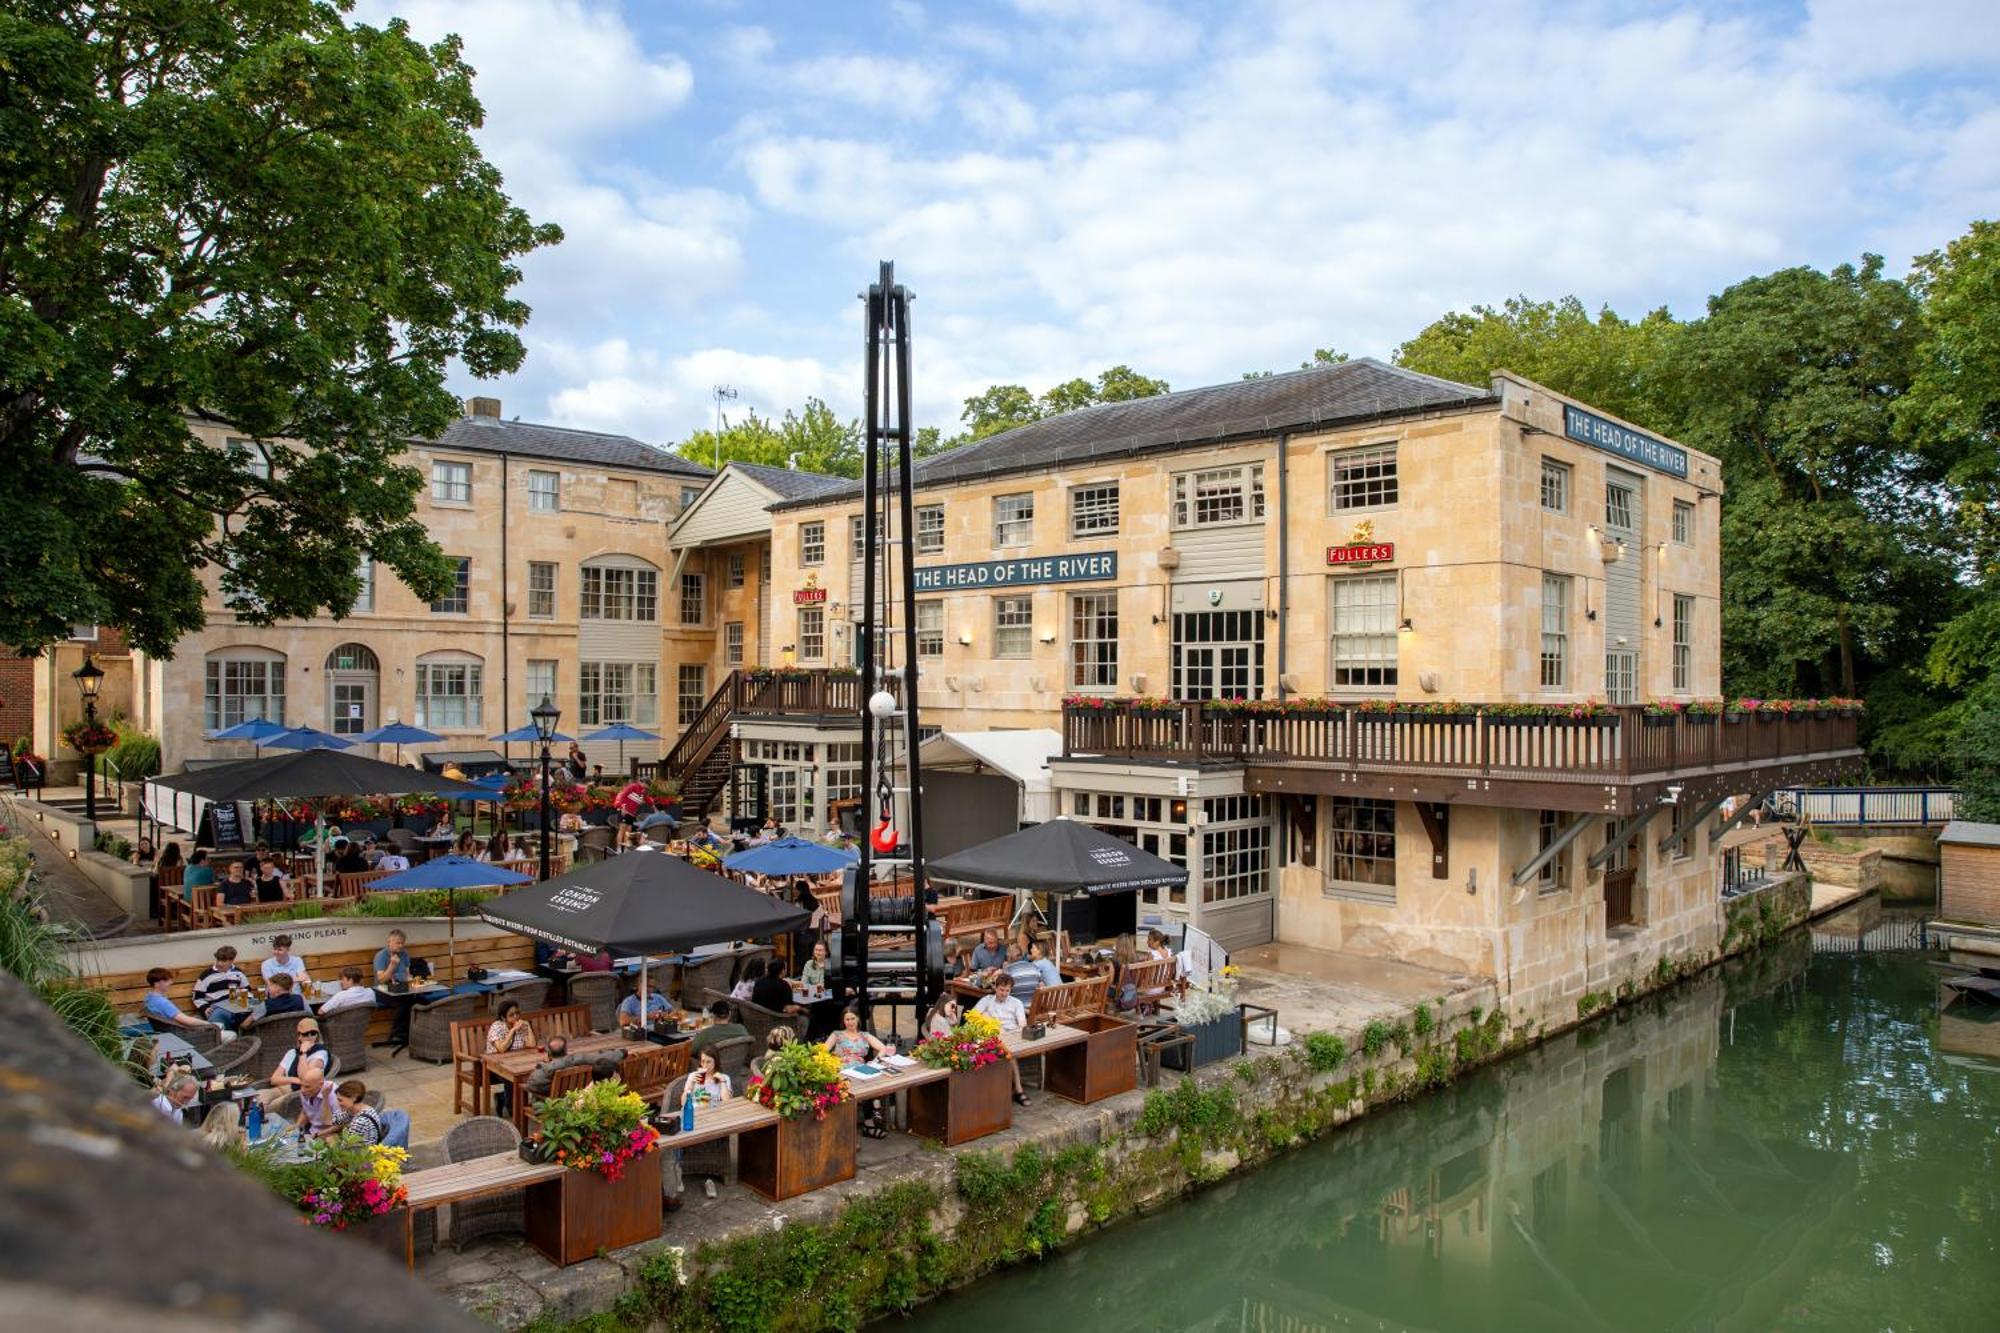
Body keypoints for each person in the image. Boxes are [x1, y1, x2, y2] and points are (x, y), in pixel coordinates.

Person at [823, 1006, 892, 1138]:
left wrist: (875, 1061)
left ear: (858, 1019)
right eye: (847, 1019)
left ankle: (872, 1117)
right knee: (863, 1085)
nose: (850, 1022)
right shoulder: (837, 1035)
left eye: (852, 1018)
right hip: (842, 1070)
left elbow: (882, 1048)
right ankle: (871, 1119)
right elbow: (822, 1051)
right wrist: (831, 1064)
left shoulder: (864, 1036)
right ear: (843, 1021)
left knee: (873, 1080)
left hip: (860, 1070)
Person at [972, 973, 1031, 1106]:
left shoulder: (1016, 1003)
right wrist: (987, 1020)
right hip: (990, 1036)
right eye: (1001, 990)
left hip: (1011, 1036)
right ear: (995, 988)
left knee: (1009, 1053)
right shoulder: (987, 1000)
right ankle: (1015, 1090)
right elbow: (972, 1017)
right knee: (1001, 1050)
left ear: (1011, 990)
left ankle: (1018, 1089)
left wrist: (1009, 1034)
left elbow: (1022, 1025)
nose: (1004, 993)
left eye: (1007, 991)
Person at [261, 1019, 330, 1107]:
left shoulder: (320, 1054)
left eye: (313, 1033)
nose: (310, 1037)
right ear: (299, 1036)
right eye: (305, 1034)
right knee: (256, 1099)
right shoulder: (292, 1053)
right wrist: (295, 1080)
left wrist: (303, 1053)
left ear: (317, 1035)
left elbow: (305, 1078)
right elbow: (274, 1079)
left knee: (265, 1109)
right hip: (281, 1088)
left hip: (297, 1094)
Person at [141, 967, 216, 1034]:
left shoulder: (149, 997)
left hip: (169, 1031)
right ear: (156, 984)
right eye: (167, 980)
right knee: (227, 1036)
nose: (171, 982)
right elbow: (188, 1021)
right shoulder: (162, 1002)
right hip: (182, 1034)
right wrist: (212, 1024)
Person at [191, 946, 250, 1028]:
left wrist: (243, 1001)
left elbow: (246, 990)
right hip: (217, 1006)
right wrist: (204, 1008)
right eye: (218, 960)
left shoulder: (238, 973)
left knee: (260, 1008)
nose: (219, 963)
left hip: (236, 1005)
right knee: (219, 1015)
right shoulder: (207, 975)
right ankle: (226, 1037)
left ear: (231, 961)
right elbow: (197, 996)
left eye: (224, 961)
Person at [522, 1034, 596, 1099]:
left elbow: (531, 1085)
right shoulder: (579, 1062)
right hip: (573, 1102)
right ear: (566, 1051)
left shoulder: (547, 1070)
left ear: (549, 1053)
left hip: (552, 1106)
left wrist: (543, 1065)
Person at [333, 1080, 387, 1144]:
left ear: (354, 1098)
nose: (337, 1103)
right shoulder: (360, 1109)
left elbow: (344, 1149)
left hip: (361, 1152)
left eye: (340, 1100)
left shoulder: (360, 1122)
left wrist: (330, 1140)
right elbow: (334, 1119)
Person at [296, 1065, 341, 1138]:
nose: (302, 1090)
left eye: (307, 1087)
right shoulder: (304, 1091)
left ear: (321, 1084)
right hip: (312, 1129)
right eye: (301, 1086)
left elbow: (339, 1125)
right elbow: (306, 1111)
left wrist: (316, 1135)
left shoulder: (334, 1095)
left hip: (329, 1133)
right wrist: (296, 1127)